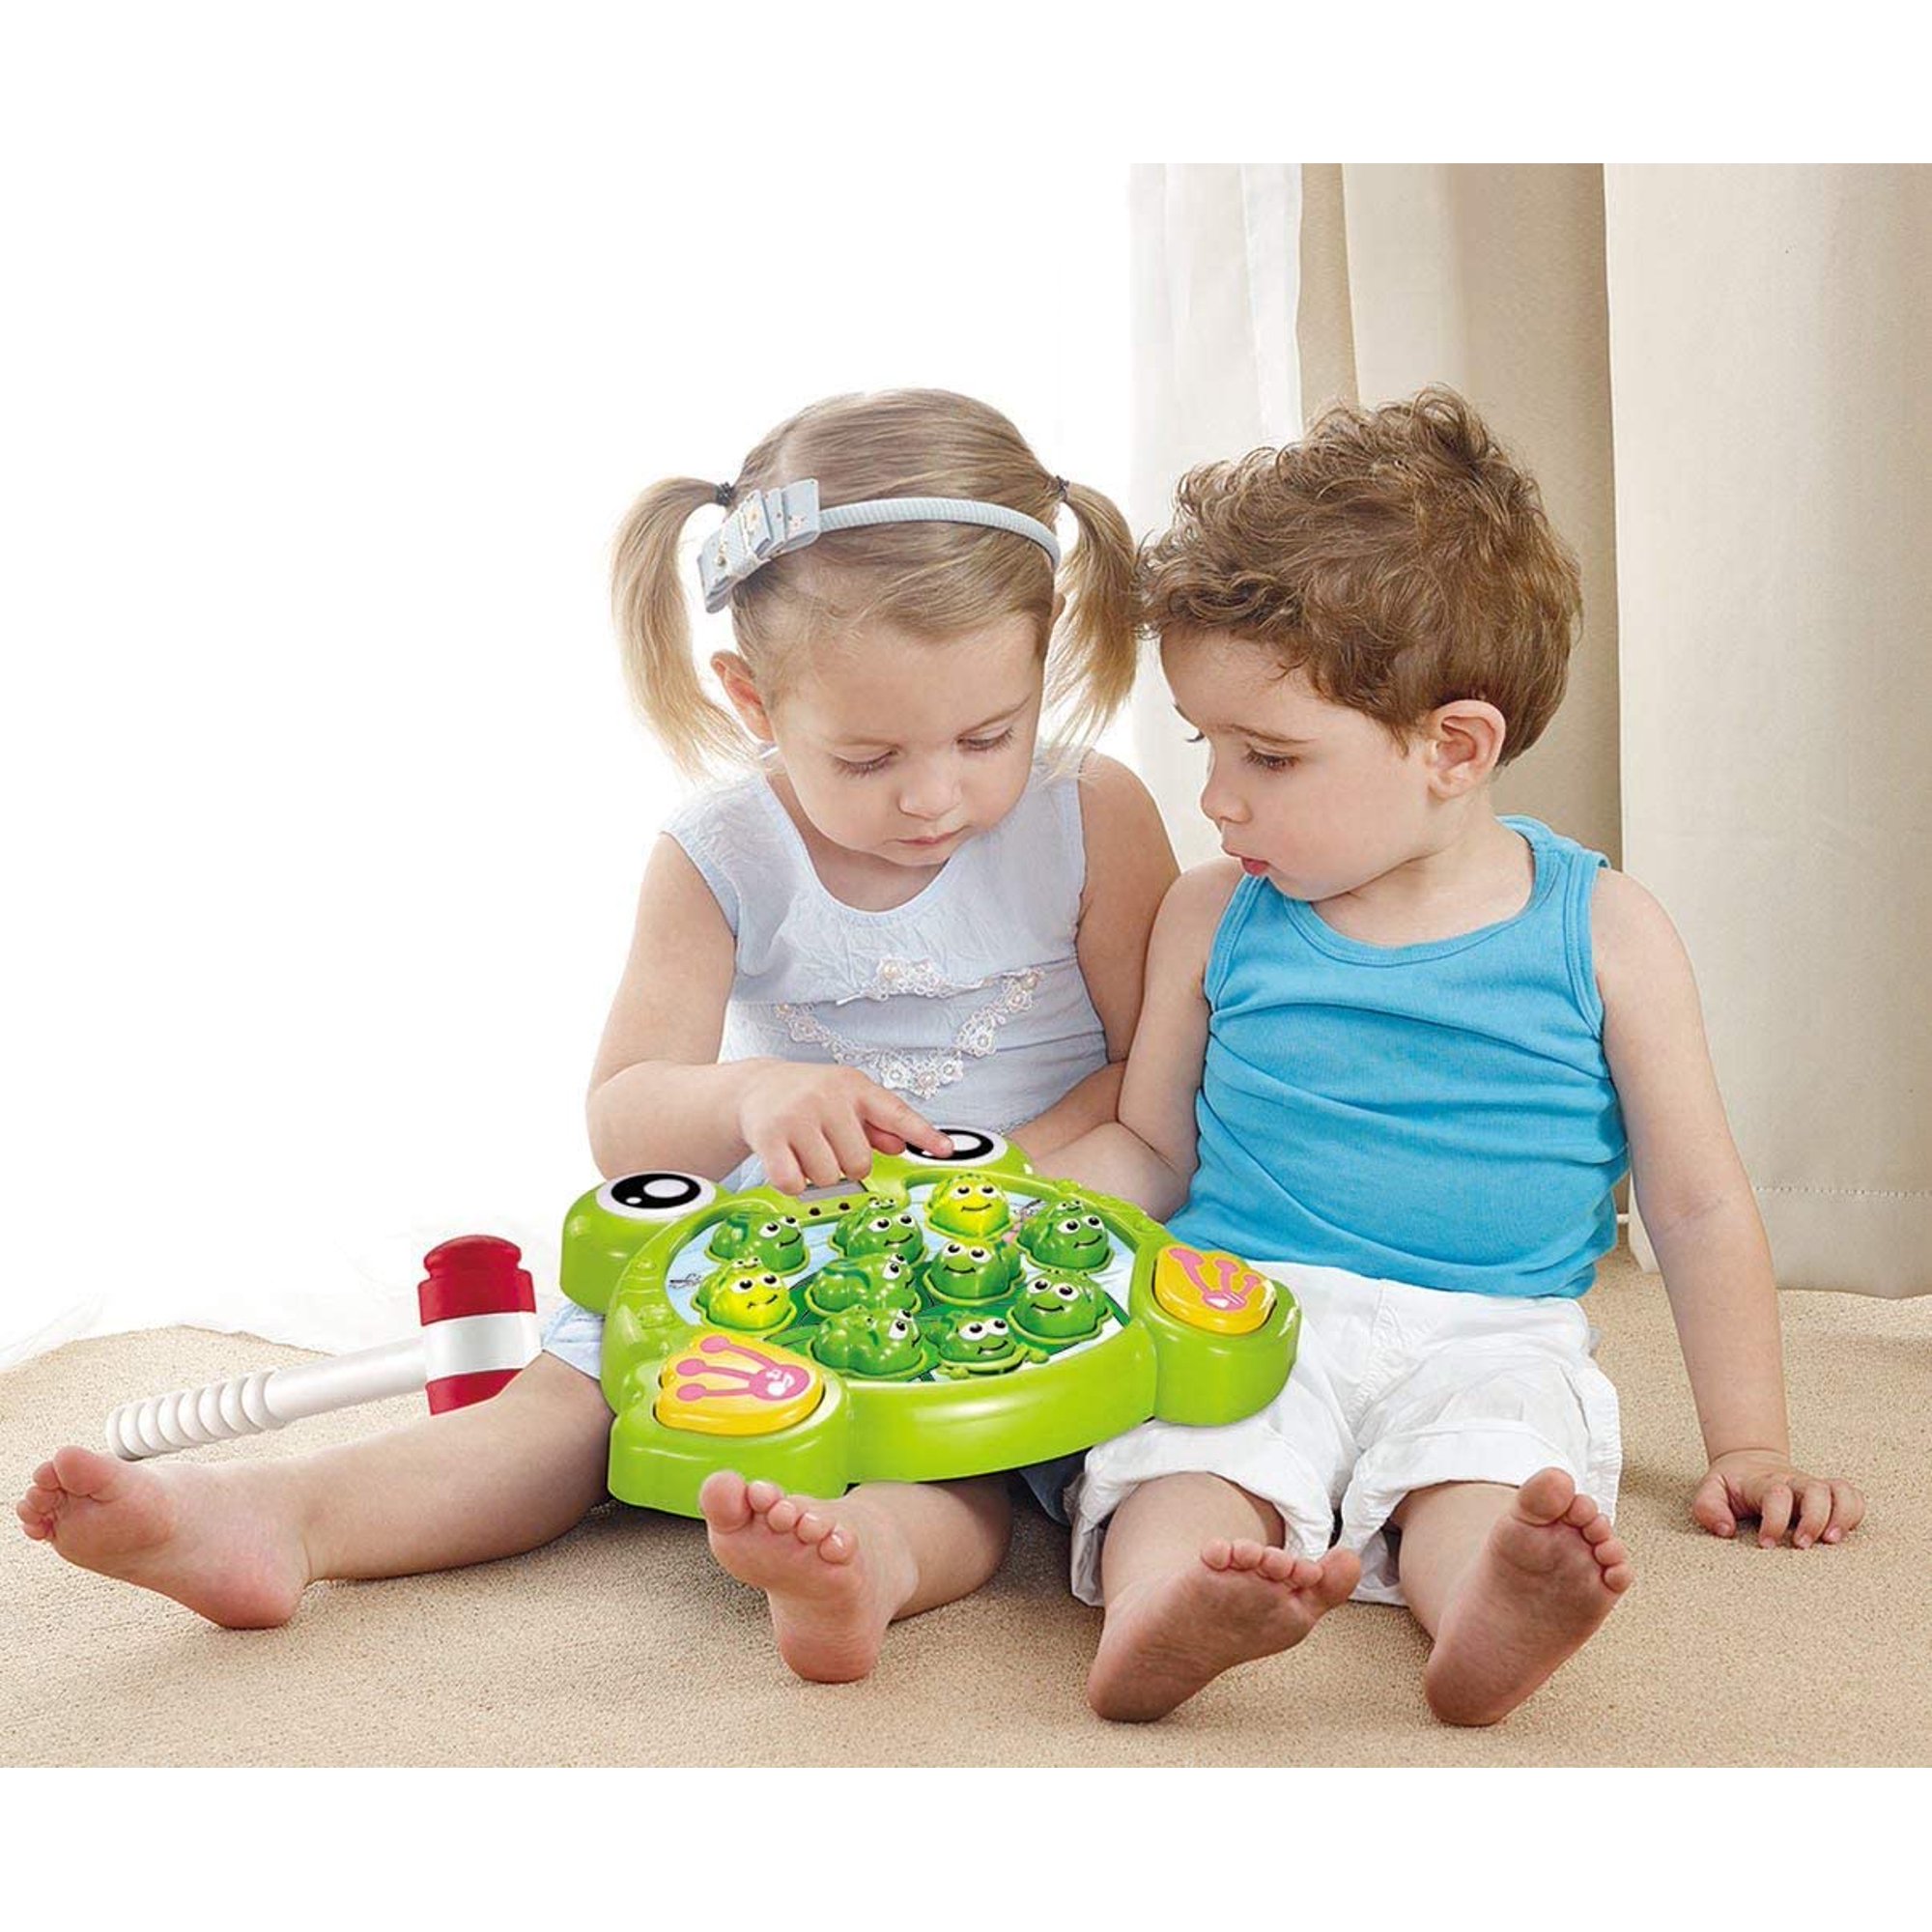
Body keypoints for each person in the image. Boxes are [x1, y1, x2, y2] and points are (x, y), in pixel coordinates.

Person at [16, 388, 1178, 1687]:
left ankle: (860, 1567)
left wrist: (988, 1185)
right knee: (563, 1406)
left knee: (954, 1457)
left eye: (988, 736)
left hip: (1014, 1245)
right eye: (866, 758)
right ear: (752, 698)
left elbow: (1155, 1078)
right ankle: (282, 1516)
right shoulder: (723, 853)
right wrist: (750, 1094)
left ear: (1040, 671)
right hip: (776, 1246)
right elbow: (626, 1117)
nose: (934, 795)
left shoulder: (1093, 814)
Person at [1047, 387, 1866, 1725]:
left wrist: (1752, 1444)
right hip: (1244, 1305)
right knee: (1181, 1458)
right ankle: (1162, 1607)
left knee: (1495, 1470)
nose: (1217, 797)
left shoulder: (1604, 930)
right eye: (1207, 744)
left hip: (1494, 1324)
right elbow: (1150, 1148)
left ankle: (1488, 1614)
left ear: (1454, 747)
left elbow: (1698, 1204)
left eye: (1270, 757)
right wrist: (1002, 1201)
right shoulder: (1212, 914)